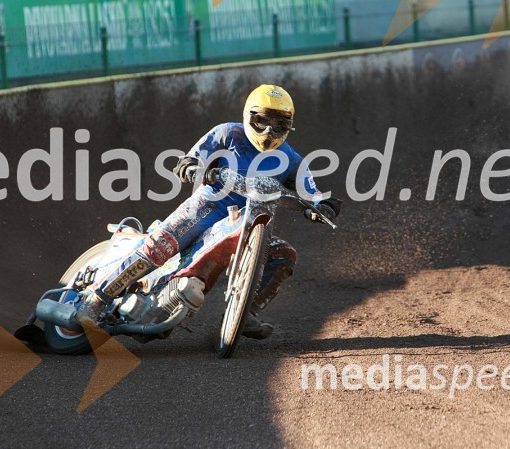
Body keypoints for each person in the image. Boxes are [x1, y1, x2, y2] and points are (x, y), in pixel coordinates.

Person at [77, 84, 341, 339]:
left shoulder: (293, 160)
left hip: (253, 221)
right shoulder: (228, 133)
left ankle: (246, 313)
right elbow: (191, 158)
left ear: (289, 125)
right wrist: (191, 167)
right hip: (208, 207)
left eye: (278, 124)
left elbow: (313, 194)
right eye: (262, 121)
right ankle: (97, 299)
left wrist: (324, 207)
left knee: (284, 255)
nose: (269, 130)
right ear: (248, 116)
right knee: (160, 245)